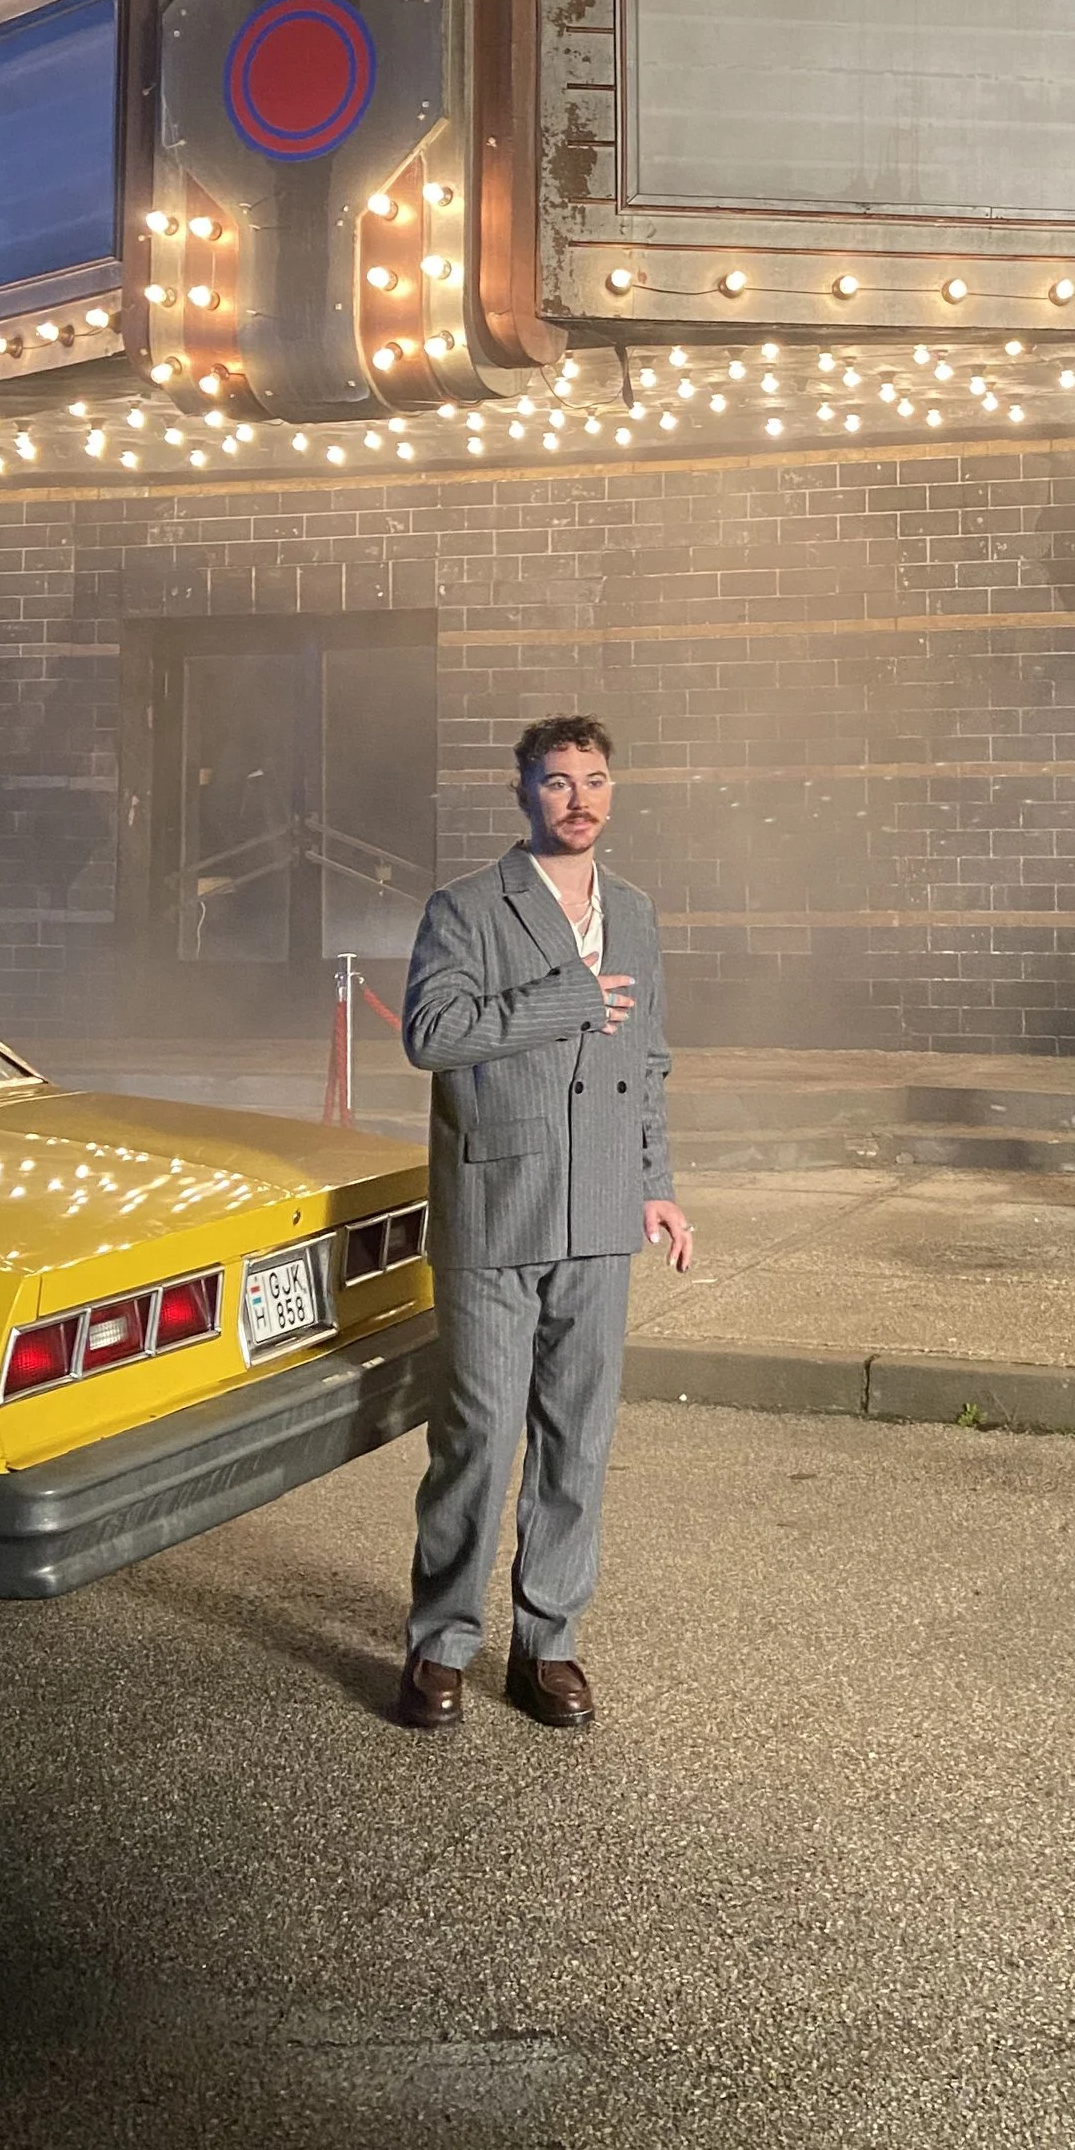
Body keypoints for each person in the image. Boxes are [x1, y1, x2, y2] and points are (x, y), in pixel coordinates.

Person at [394, 714, 693, 1735]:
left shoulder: (636, 913)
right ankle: (440, 1645)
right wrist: (564, 998)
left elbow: (647, 1059)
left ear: (614, 789)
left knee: (578, 1441)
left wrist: (654, 1182)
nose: (579, 799)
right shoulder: (467, 908)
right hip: (497, 1207)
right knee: (477, 1436)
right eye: (558, 781)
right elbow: (432, 1034)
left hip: (601, 1211)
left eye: (595, 779)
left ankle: (548, 1643)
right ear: (524, 791)